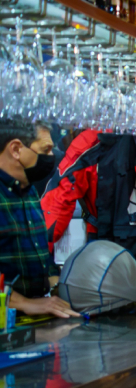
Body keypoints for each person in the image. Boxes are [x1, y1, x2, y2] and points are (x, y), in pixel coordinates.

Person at [0, 119, 75, 318]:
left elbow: (39, 252)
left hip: (34, 320)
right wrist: (24, 303)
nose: (51, 157)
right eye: (46, 150)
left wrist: (59, 285)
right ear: (16, 149)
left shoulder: (29, 190)